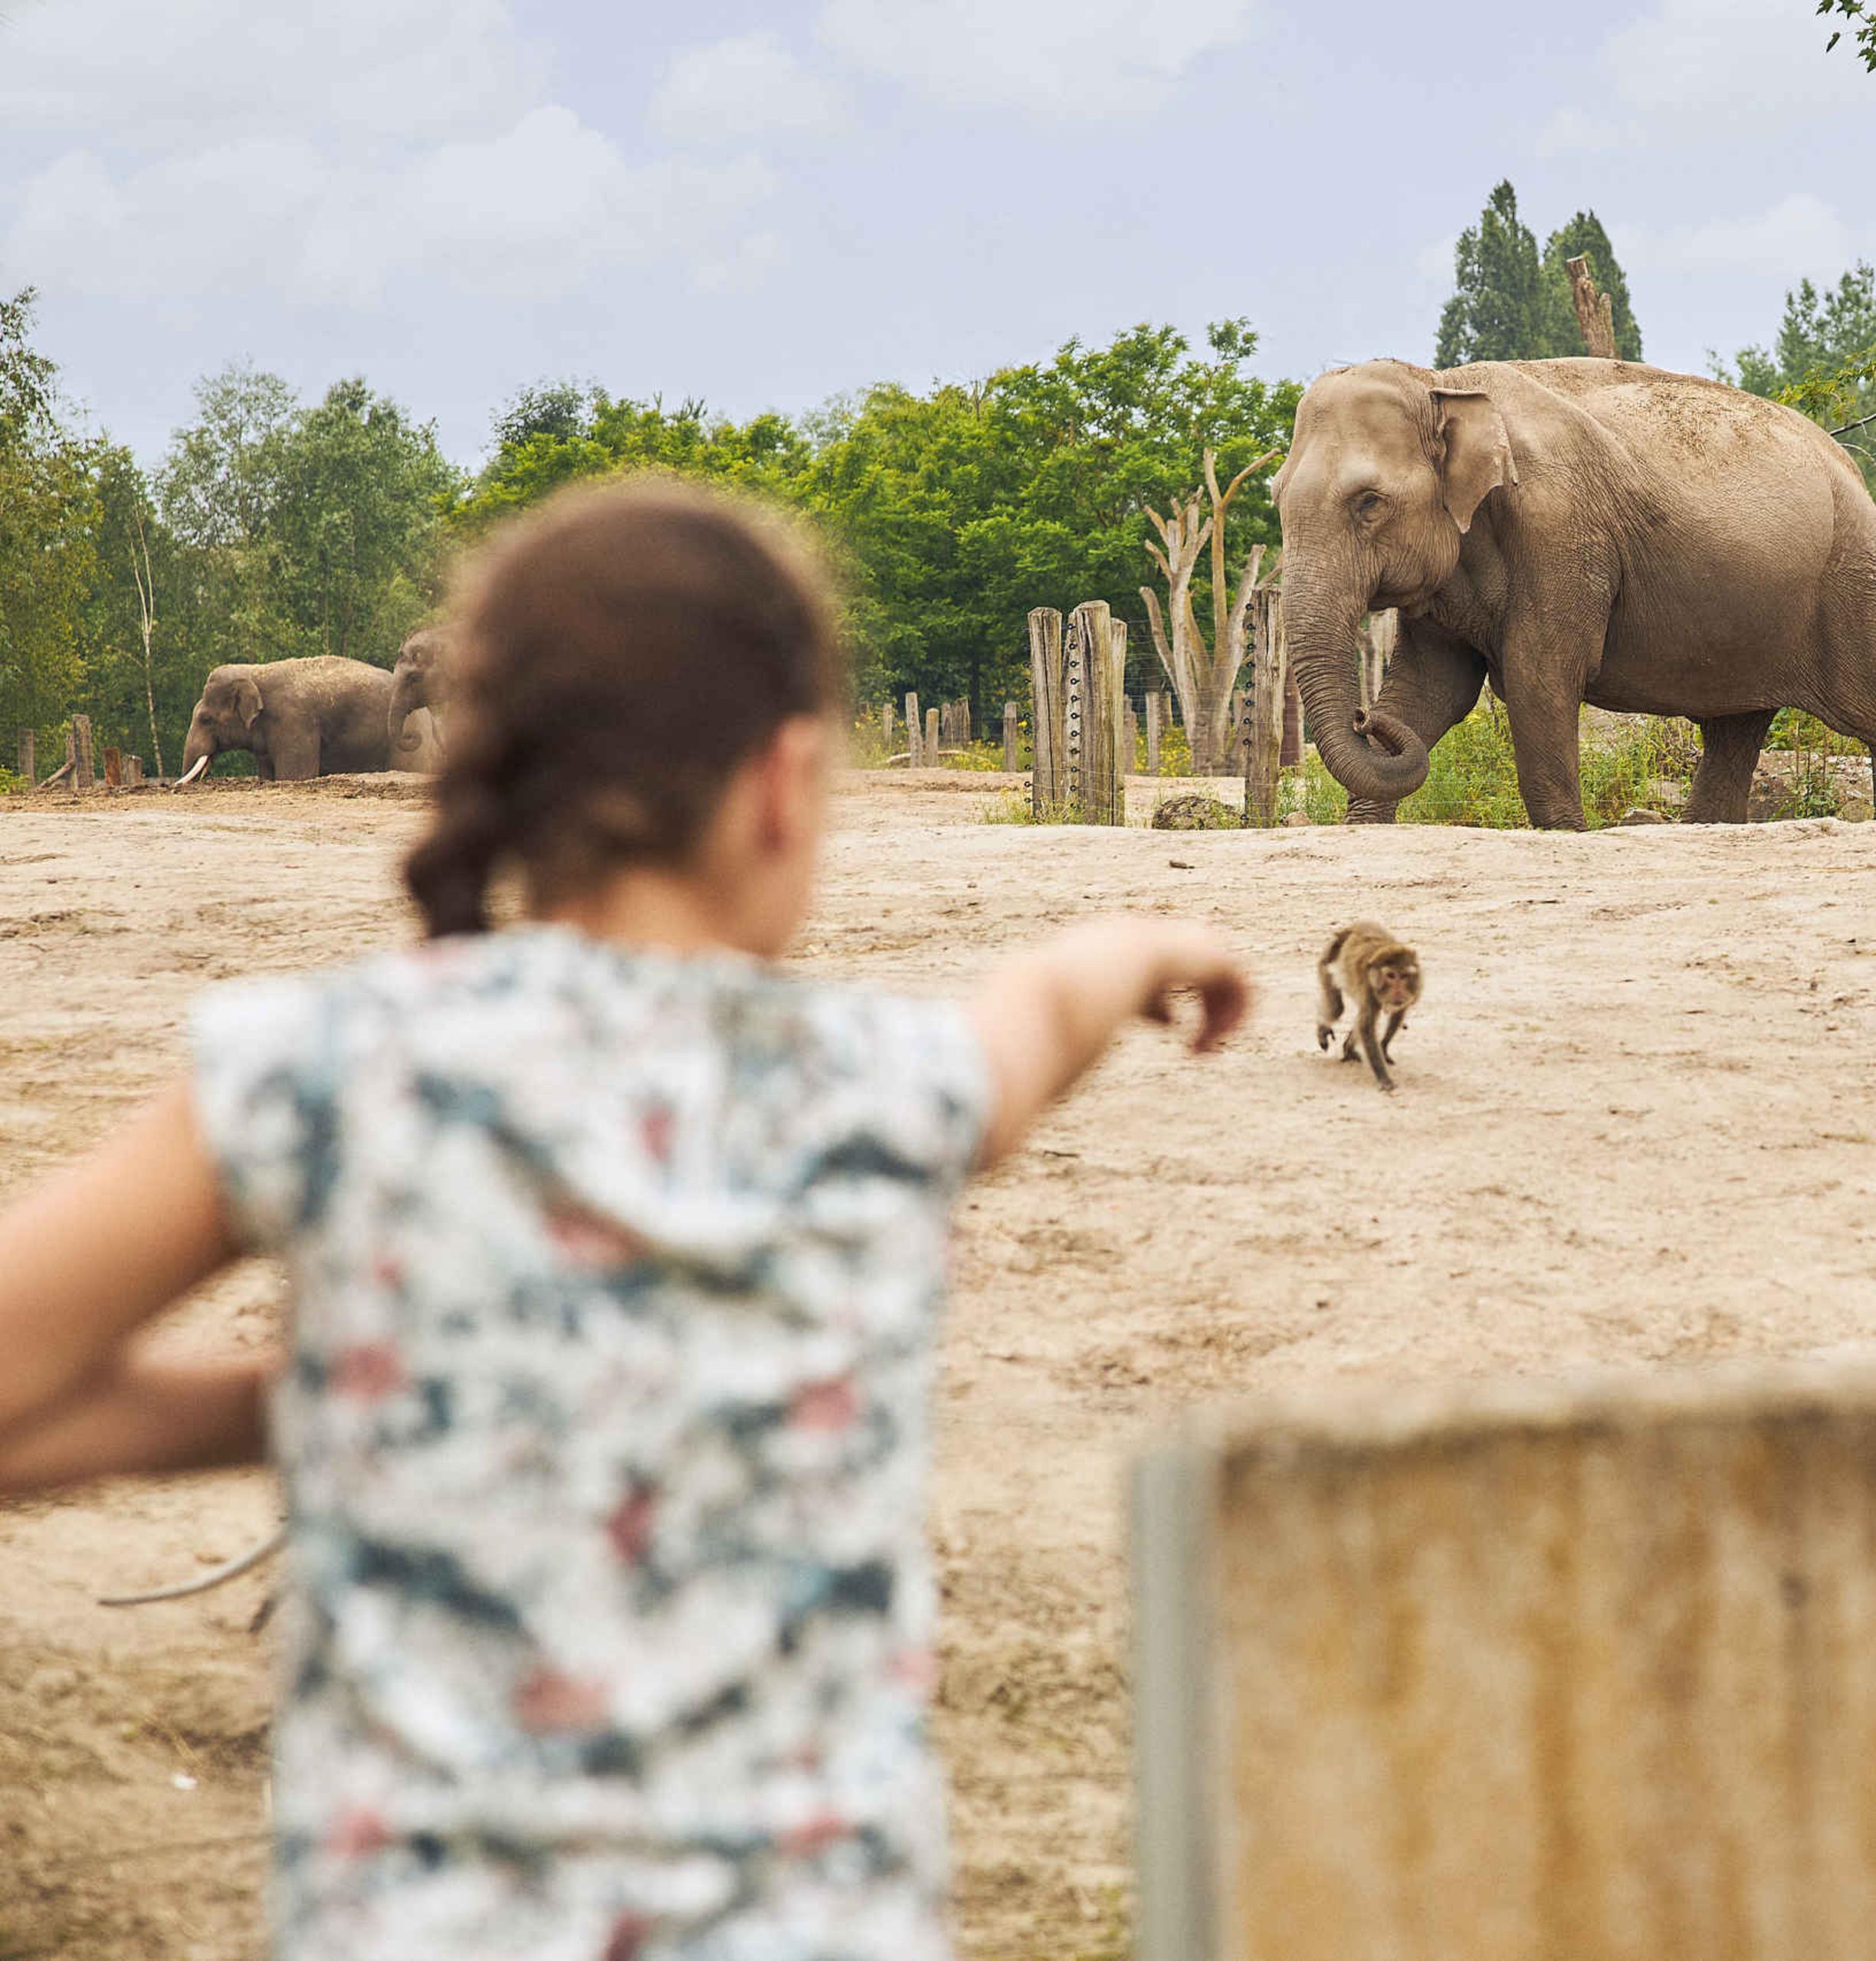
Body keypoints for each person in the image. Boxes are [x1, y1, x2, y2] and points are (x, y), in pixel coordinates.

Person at [0, 478, 1248, 1960]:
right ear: (785, 784)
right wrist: (1145, 941)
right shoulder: (882, 1085)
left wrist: (367, 1391)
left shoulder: (320, 1067)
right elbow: (1034, 1018)